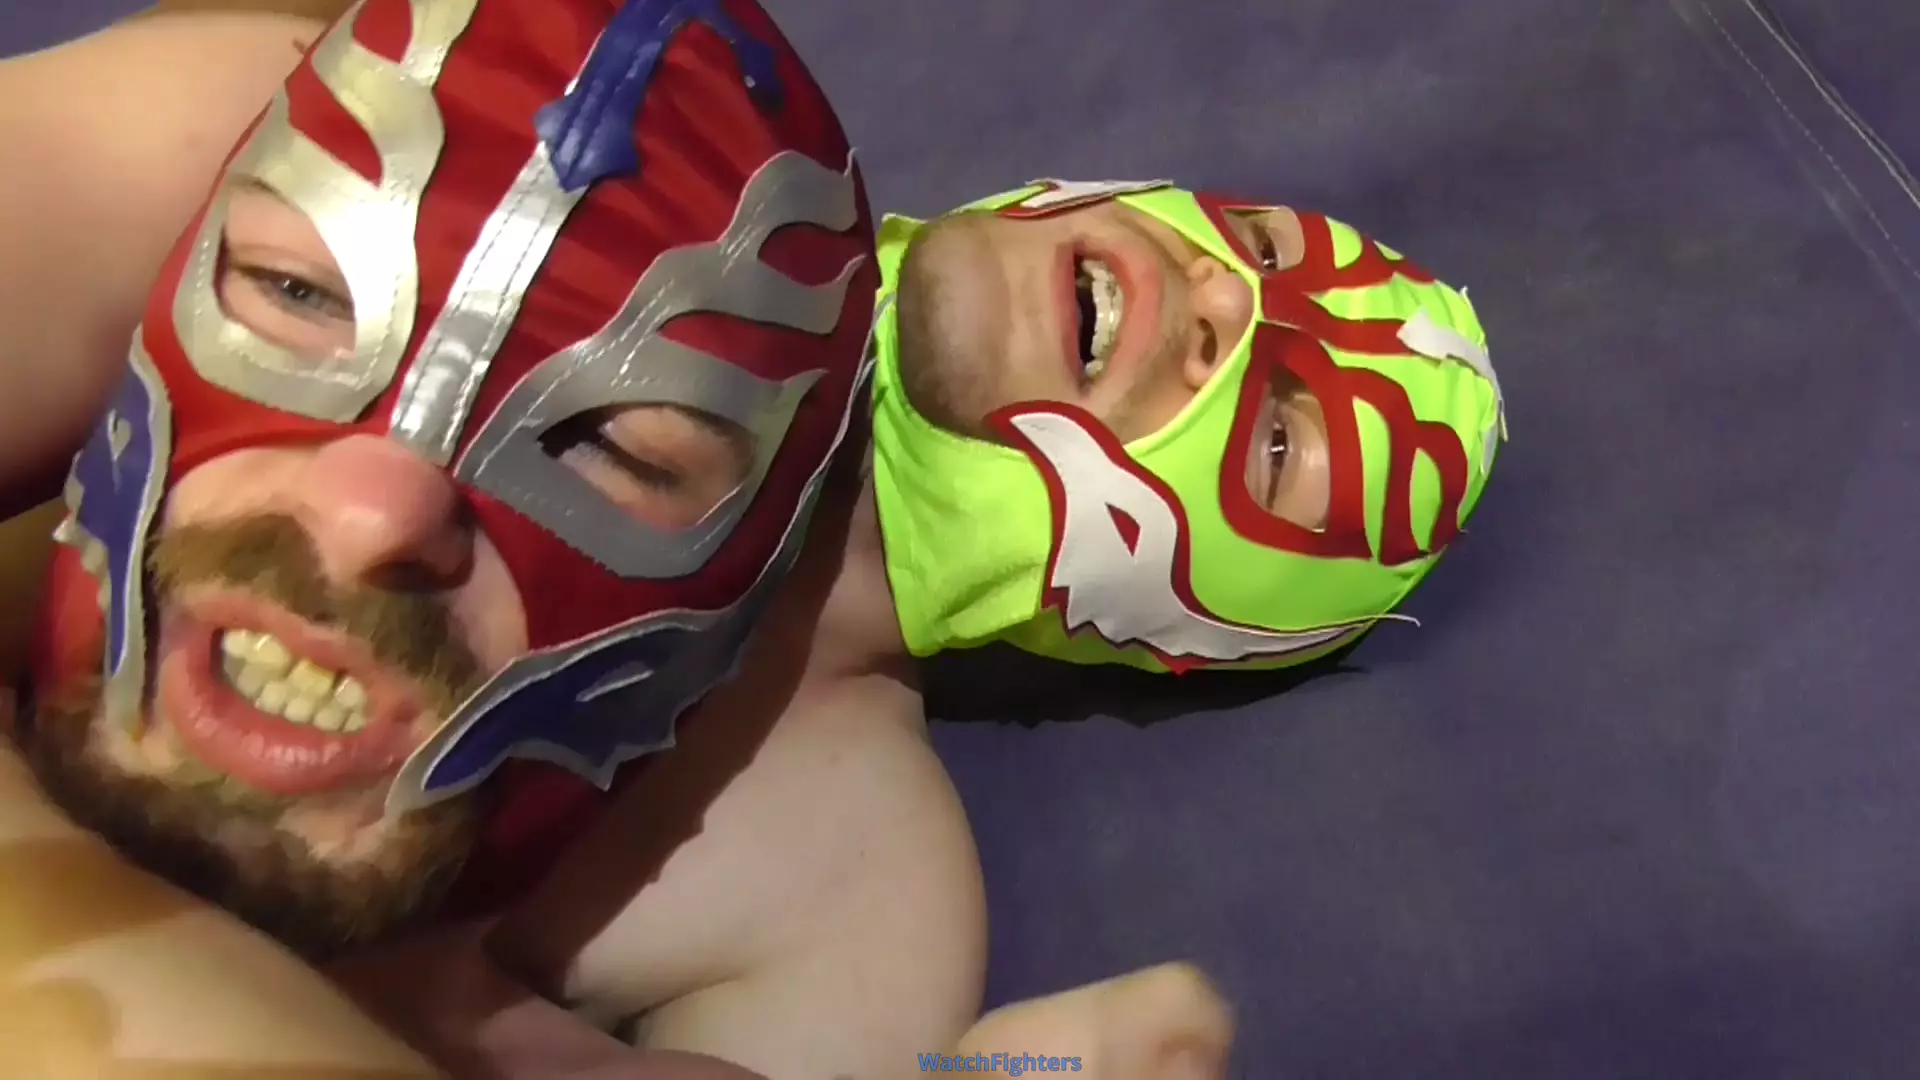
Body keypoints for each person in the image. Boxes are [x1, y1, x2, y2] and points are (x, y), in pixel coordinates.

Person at [0, 3, 1241, 1079]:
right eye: (294, 291)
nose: (1226, 295)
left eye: (618, 450)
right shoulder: (283, 93)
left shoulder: (859, 872)